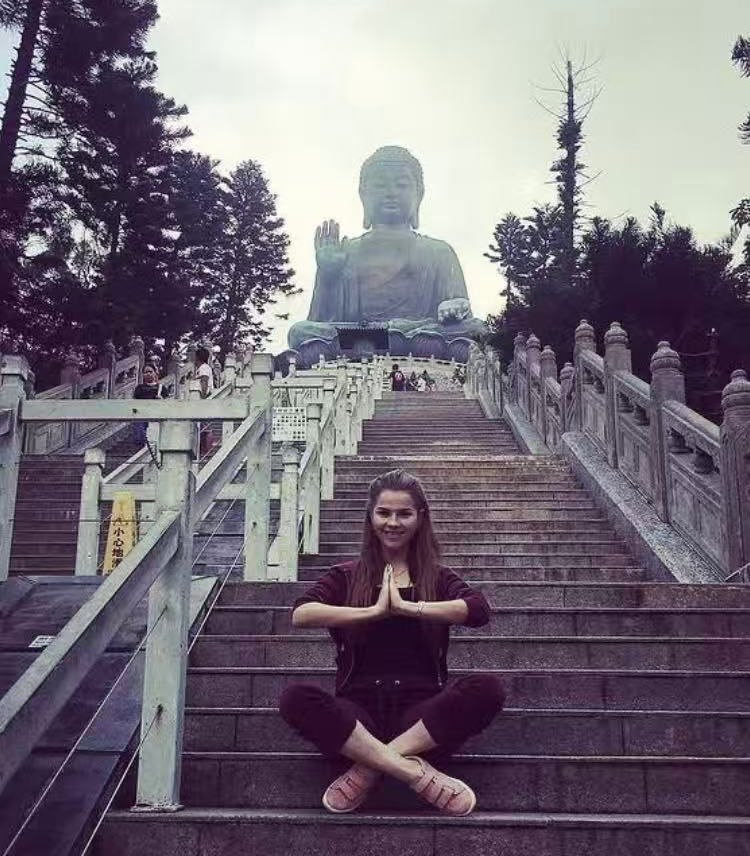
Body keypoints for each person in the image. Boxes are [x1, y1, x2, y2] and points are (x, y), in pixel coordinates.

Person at [279, 469, 505, 816]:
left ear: (420, 517)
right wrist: (373, 612)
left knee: (487, 689)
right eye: (384, 513)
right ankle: (411, 771)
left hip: (422, 720)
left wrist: (409, 608)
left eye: (404, 513)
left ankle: (369, 767)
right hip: (358, 719)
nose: (393, 523)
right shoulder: (346, 575)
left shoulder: (437, 576)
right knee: (295, 698)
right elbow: (301, 613)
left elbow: (478, 610)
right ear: (370, 517)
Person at [131, 364, 169, 447]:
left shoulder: (161, 388)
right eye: (145, 372)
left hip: (155, 416)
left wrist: (161, 399)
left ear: (155, 373)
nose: (148, 374)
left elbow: (167, 404)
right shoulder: (139, 388)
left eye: (150, 371)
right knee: (139, 432)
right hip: (142, 415)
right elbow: (135, 403)